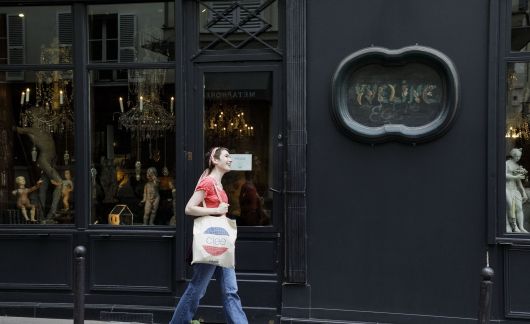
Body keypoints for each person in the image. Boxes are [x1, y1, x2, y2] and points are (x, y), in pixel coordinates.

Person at [169, 147, 248, 324]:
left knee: (230, 290)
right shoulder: (208, 182)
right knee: (197, 290)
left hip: (222, 244)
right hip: (210, 243)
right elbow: (189, 208)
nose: (230, 159)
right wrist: (216, 210)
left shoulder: (219, 185)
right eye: (227, 156)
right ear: (215, 160)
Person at [506, 147, 529, 233]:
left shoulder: (516, 166)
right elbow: (504, 175)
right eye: (517, 156)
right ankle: (514, 226)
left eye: (519, 157)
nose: (518, 158)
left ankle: (521, 227)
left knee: (519, 207)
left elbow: (518, 181)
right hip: (507, 188)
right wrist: (516, 176)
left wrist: (523, 192)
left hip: (514, 189)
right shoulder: (507, 164)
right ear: (513, 155)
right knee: (511, 207)